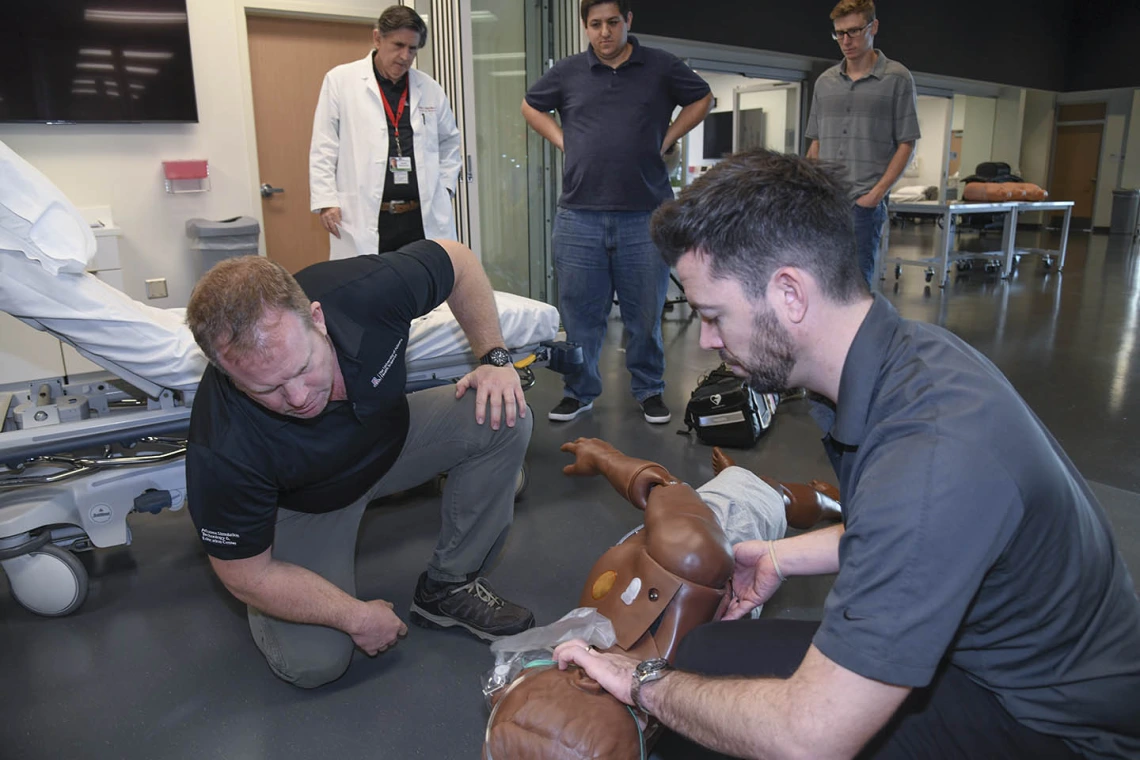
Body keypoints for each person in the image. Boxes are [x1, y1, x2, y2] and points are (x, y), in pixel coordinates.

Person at [552, 150, 1140, 759]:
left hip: (1053, 730)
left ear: (789, 294)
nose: (705, 340)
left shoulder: (932, 454)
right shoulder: (900, 358)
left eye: (713, 315)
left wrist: (643, 683)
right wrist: (783, 555)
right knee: (706, 656)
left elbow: (809, 739)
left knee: (692, 716)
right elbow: (916, 537)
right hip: (990, 655)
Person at [184, 238, 535, 689]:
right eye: (266, 389)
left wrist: (494, 358)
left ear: (316, 318)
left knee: (503, 413)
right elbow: (245, 575)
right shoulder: (222, 442)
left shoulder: (364, 293)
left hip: (390, 445)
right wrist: (356, 617)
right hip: (306, 506)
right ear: (231, 376)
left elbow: (460, 261)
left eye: (301, 368)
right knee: (315, 666)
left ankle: (448, 587)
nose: (296, 398)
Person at [521, 0, 713, 425]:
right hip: (578, 216)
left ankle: (649, 390)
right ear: (585, 27)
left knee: (643, 315)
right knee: (579, 316)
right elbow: (531, 105)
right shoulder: (569, 71)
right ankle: (579, 391)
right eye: (594, 25)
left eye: (612, 22)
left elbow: (702, 98)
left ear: (628, 21)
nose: (604, 32)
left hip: (645, 217)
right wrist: (564, 141)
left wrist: (667, 137)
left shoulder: (660, 66)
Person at [310, 5, 462, 260]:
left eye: (412, 49)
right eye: (398, 45)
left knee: (424, 288)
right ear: (377, 38)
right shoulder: (341, 81)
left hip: (421, 216)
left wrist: (444, 189)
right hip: (368, 216)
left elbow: (450, 143)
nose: (405, 56)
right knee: (370, 288)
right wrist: (327, 200)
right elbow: (324, 146)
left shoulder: (429, 88)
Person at [805, 0, 920, 287]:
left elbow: (907, 143)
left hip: (863, 204)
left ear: (874, 27)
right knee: (821, 284)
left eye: (854, 31)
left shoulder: (897, 78)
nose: (846, 41)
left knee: (855, 288)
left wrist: (875, 196)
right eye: (839, 33)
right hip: (826, 202)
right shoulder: (824, 82)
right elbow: (816, 144)